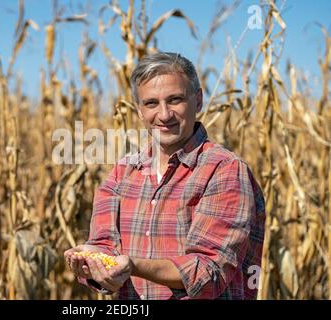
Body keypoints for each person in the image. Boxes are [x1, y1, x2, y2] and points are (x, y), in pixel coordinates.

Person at [64, 52, 266, 300]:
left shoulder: (224, 170)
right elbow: (104, 248)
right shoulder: (121, 173)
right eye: (151, 103)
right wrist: (91, 264)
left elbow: (209, 271)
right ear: (139, 110)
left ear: (199, 100)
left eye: (175, 100)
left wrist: (132, 266)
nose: (164, 114)